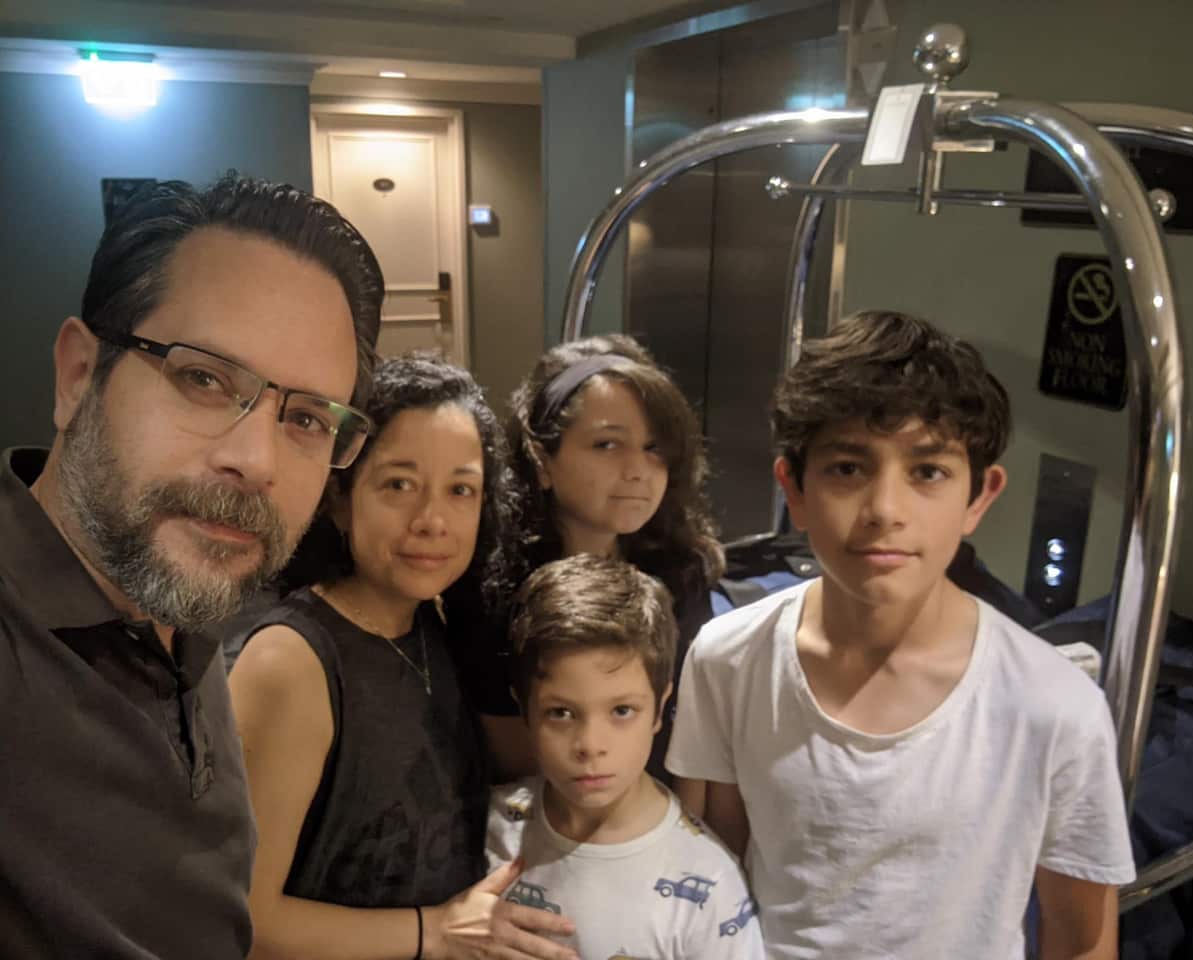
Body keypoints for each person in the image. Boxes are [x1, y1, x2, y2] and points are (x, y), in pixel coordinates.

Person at [667, 310, 1136, 959]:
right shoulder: (728, 659)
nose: (886, 510)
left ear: (979, 496)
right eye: (848, 469)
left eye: (928, 472)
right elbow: (720, 874)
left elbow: (1082, 940)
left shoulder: (1053, 706)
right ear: (793, 489)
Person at [0, 174, 383, 958]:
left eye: (307, 418)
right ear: (79, 375)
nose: (256, 460)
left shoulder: (182, 603)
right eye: (203, 378)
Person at [229, 352, 576, 960]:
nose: (432, 520)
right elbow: (241, 916)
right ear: (339, 499)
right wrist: (434, 931)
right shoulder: (290, 661)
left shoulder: (430, 628)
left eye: (460, 490)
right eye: (398, 484)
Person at [488, 554, 764, 960]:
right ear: (524, 711)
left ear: (660, 708)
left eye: (621, 711)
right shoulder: (490, 825)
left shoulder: (708, 880)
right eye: (561, 713)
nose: (590, 745)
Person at [491, 335, 723, 782]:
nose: (638, 469)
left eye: (654, 447)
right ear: (541, 459)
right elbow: (515, 768)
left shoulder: (682, 570)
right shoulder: (495, 589)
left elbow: (696, 732)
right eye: (607, 444)